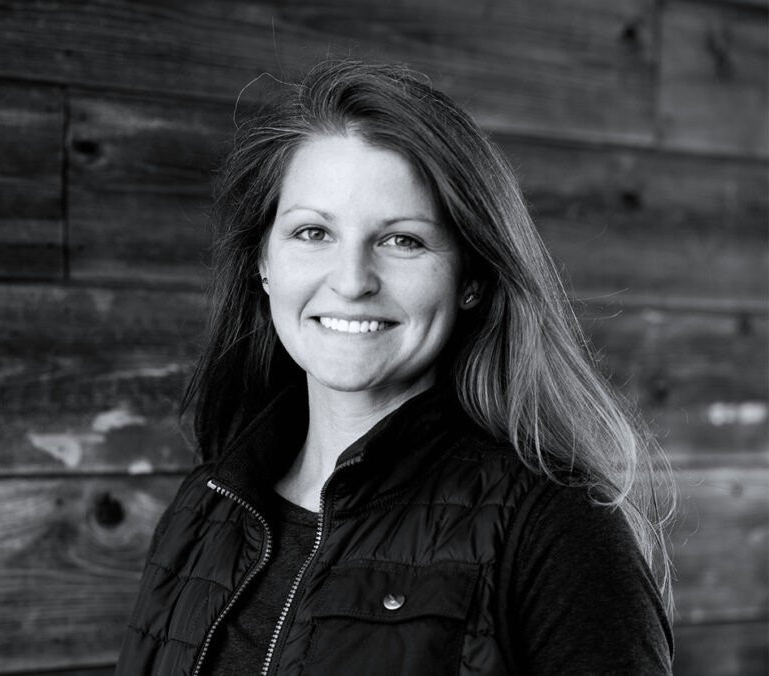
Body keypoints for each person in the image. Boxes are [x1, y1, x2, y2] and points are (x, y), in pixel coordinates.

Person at [116, 60, 675, 675]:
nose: (352, 281)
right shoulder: (207, 505)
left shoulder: (554, 530)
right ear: (263, 263)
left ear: (469, 279)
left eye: (402, 240)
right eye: (312, 233)